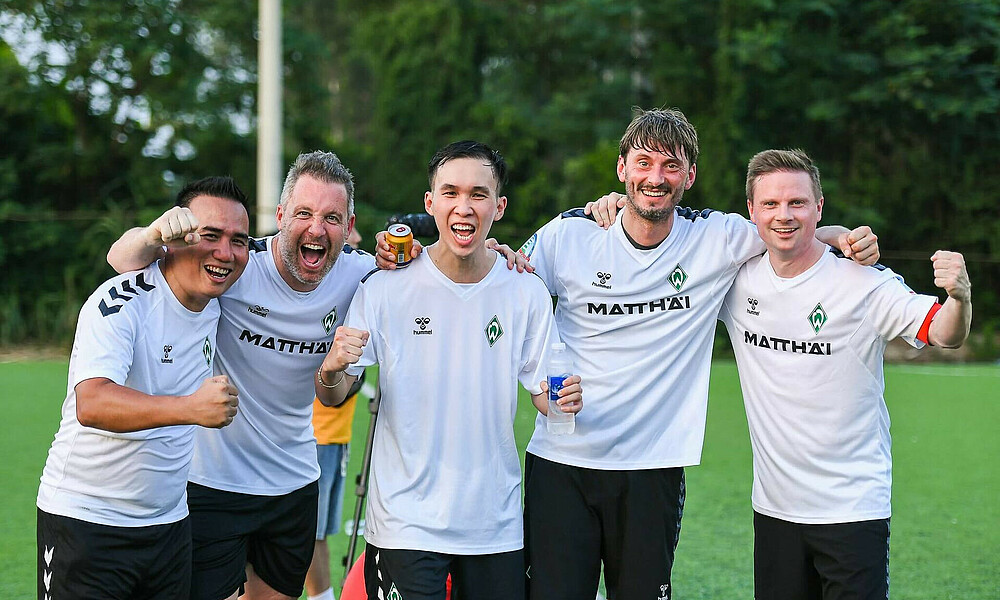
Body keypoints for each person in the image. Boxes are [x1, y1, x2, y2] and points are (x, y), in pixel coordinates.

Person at [516, 108, 880, 600]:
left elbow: (786, 228)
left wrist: (841, 238)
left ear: (689, 175)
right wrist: (540, 382)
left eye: (671, 165)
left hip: (653, 469)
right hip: (562, 463)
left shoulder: (717, 236)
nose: (656, 177)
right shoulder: (570, 234)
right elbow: (511, 294)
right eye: (643, 163)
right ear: (622, 168)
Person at [319, 141, 583, 600]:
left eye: (478, 194)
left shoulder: (526, 291)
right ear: (431, 202)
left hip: (494, 525)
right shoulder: (384, 287)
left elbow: (544, 391)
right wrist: (331, 367)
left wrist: (563, 399)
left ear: (498, 207)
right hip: (406, 524)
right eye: (451, 192)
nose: (464, 207)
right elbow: (334, 394)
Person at [107, 151, 373, 600]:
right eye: (304, 213)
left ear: (348, 227)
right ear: (282, 215)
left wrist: (499, 253)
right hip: (212, 483)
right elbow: (122, 260)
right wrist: (153, 233)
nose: (316, 228)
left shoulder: (363, 275)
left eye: (331, 217)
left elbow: (335, 396)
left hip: (294, 483)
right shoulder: (238, 263)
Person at [717, 149, 972, 600]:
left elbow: (944, 332)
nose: (784, 215)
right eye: (771, 204)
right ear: (751, 211)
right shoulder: (736, 282)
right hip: (775, 510)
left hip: (852, 509)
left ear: (819, 206)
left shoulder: (864, 283)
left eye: (797, 203)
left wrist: (960, 297)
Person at [37, 177, 249, 600]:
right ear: (174, 238)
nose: (224, 252)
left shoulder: (219, 298)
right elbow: (92, 402)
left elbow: (295, 254)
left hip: (169, 527)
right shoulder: (120, 302)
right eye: (209, 236)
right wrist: (191, 408)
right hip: (87, 521)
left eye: (238, 240)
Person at [304, 226, 366, 600]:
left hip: (334, 436)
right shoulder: (327, 294)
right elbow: (339, 385)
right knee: (310, 531)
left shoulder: (348, 287)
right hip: (318, 432)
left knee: (320, 532)